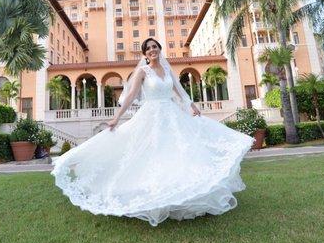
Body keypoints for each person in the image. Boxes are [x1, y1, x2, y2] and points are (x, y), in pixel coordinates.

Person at [51, 38, 254, 226]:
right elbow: (130, 95)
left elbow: (179, 91)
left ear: (159, 50)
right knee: (151, 154)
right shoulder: (142, 72)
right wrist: (117, 118)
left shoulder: (167, 70)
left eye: (154, 46)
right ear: (145, 54)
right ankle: (155, 194)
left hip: (172, 115)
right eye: (148, 48)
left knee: (177, 152)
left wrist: (191, 105)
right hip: (151, 116)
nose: (152, 50)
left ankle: (182, 194)